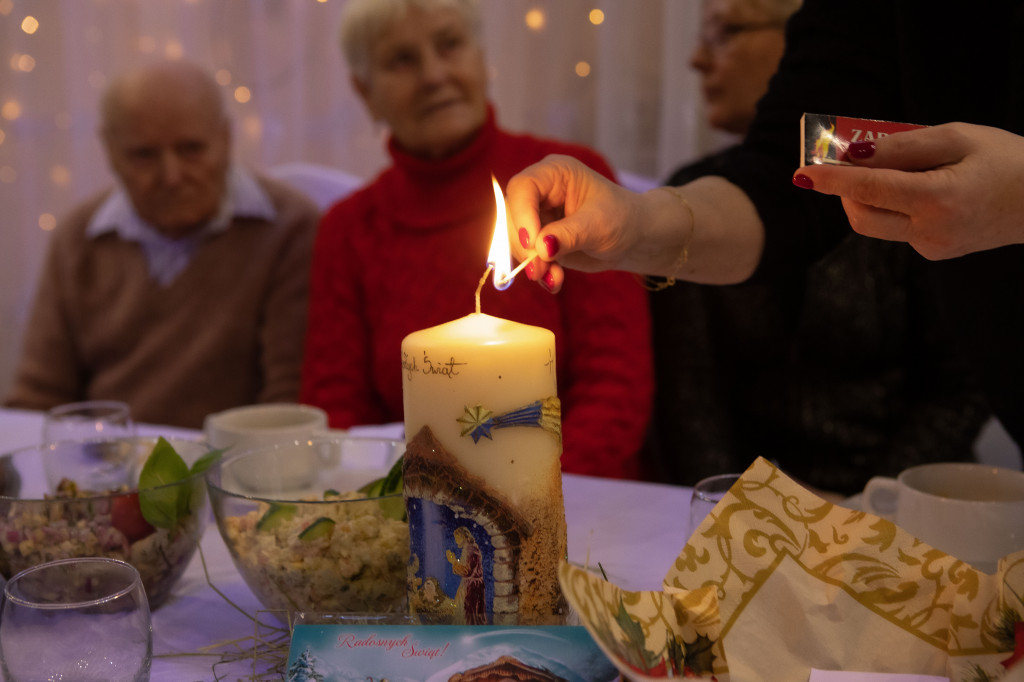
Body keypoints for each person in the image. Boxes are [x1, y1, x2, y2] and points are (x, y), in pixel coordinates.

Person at [506, 0, 1024, 460]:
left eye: (726, 31)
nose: (695, 60)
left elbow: (949, 393)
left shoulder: (899, 224)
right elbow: (784, 174)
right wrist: (635, 222)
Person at [645, 0, 987, 494]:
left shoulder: (915, 196)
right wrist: (746, 514)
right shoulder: (692, 197)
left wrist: (866, 511)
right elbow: (689, 405)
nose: (697, 58)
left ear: (806, 41)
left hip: (900, 513)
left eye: (725, 32)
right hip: (745, 522)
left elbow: (958, 388)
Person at [300, 0, 653, 479]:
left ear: (480, 57)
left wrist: (529, 500)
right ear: (365, 91)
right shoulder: (349, 228)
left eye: (450, 45)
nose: (433, 74)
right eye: (402, 60)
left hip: (577, 499)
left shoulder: (568, 184)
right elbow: (338, 409)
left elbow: (616, 387)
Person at [5, 59, 319, 429]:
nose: (171, 176)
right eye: (144, 155)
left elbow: (289, 407)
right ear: (110, 150)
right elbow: (40, 395)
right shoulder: (79, 238)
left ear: (226, 138)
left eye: (191, 149)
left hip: (231, 471)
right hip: (105, 471)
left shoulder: (289, 228)